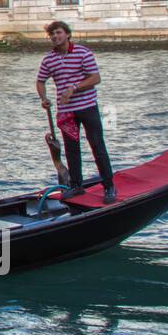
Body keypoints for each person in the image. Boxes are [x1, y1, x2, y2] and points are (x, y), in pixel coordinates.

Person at [35, 20, 116, 204]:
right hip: (66, 112)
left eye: (58, 33)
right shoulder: (49, 59)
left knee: (97, 145)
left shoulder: (83, 53)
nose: (55, 37)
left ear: (67, 34)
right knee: (72, 150)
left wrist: (74, 88)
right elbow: (40, 81)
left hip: (87, 107)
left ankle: (109, 186)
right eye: (52, 34)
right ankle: (76, 186)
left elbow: (96, 78)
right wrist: (43, 98)